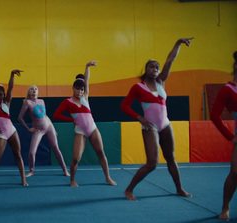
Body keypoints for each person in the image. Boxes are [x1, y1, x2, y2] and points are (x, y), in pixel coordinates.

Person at [120, 38, 195, 201]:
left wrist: (178, 43)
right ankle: (129, 190)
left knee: (171, 157)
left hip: (165, 124)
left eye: (157, 67)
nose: (155, 69)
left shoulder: (161, 81)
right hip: (150, 126)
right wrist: (140, 118)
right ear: (146, 69)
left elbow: (170, 60)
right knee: (152, 162)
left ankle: (179, 189)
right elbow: (124, 106)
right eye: (151, 66)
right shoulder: (138, 87)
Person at [53, 61, 116, 187]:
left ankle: (108, 177)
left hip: (92, 129)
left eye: (82, 89)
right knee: (76, 158)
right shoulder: (67, 102)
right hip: (80, 131)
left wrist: (87, 67)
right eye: (77, 89)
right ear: (73, 88)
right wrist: (71, 120)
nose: (79, 91)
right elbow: (56, 115)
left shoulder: (85, 97)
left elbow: (86, 81)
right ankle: (72, 180)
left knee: (101, 153)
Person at [18, 85, 70, 177]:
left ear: (38, 92)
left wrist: (53, 128)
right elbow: (20, 118)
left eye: (35, 89)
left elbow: (45, 115)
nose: (34, 90)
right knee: (31, 152)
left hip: (49, 127)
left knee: (56, 148)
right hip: (38, 130)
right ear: (29, 92)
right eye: (31, 89)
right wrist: (28, 128)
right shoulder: (27, 103)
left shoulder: (42, 101)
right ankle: (31, 171)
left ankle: (65, 170)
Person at [210, 51, 237, 220]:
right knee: (235, 173)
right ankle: (225, 207)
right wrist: (230, 136)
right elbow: (214, 115)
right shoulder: (228, 89)